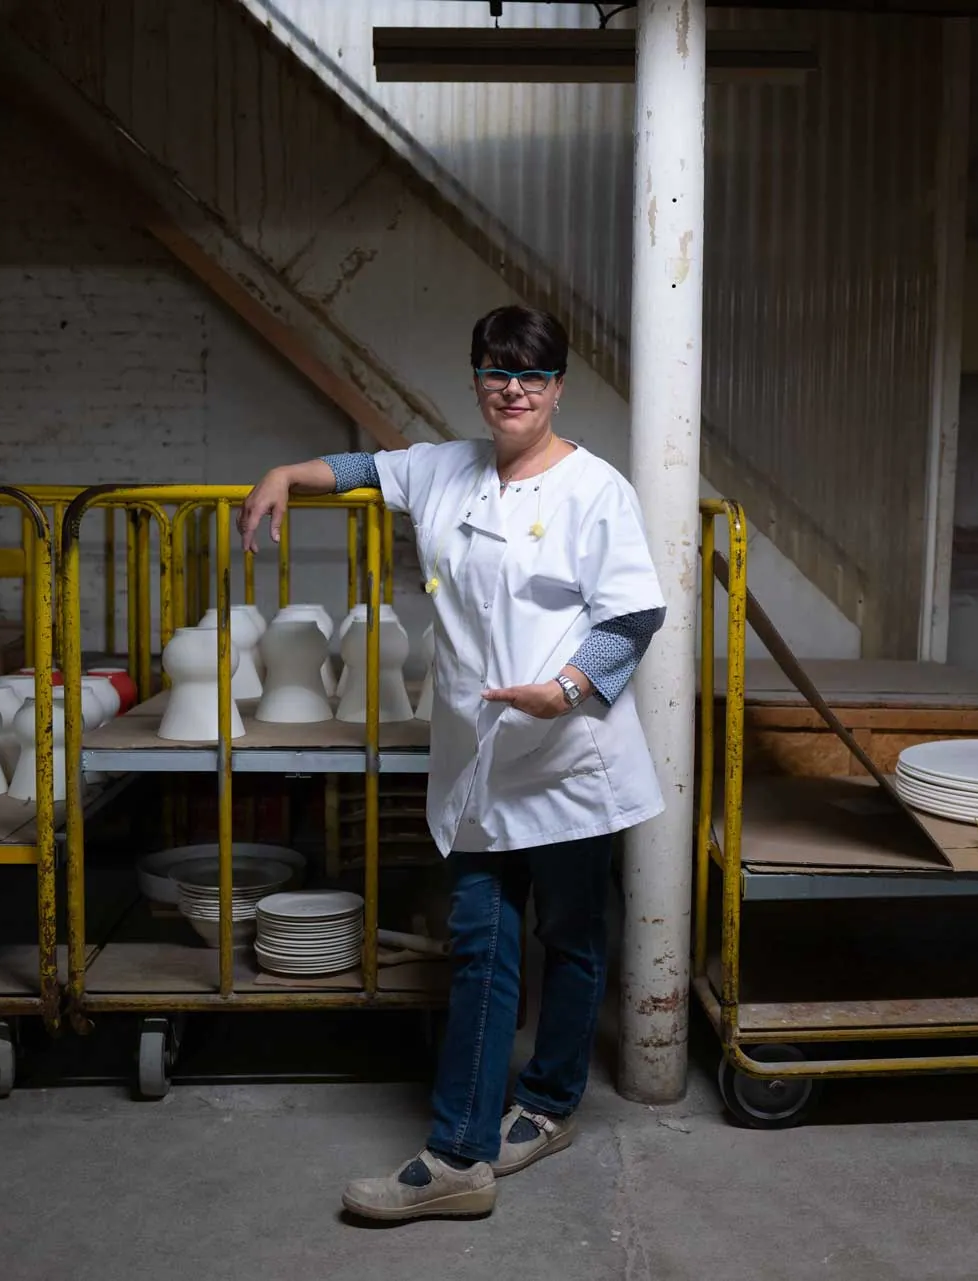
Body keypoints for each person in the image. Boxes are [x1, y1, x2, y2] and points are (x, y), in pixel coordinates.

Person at [240, 305, 667, 1224]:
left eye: (533, 375)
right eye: (496, 371)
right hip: (478, 756)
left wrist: (567, 688)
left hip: (568, 752)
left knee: (576, 935)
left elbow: (632, 616)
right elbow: (358, 468)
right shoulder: (442, 466)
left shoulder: (597, 489)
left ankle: (549, 1101)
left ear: (557, 388)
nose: (513, 388)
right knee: (481, 940)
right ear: (476, 378)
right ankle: (459, 1153)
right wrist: (284, 472)